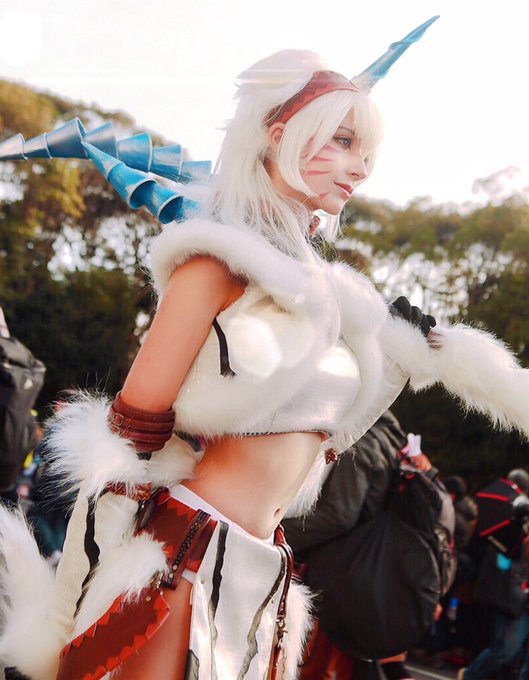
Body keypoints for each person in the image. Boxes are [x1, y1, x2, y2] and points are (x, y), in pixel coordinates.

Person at [1, 16, 529, 680]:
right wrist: (67, 613)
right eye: (342, 141)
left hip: (267, 572)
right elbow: (125, 442)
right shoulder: (213, 261)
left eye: (365, 151)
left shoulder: (334, 295)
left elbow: (327, 439)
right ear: (279, 134)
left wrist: (405, 353)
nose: (360, 168)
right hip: (182, 561)